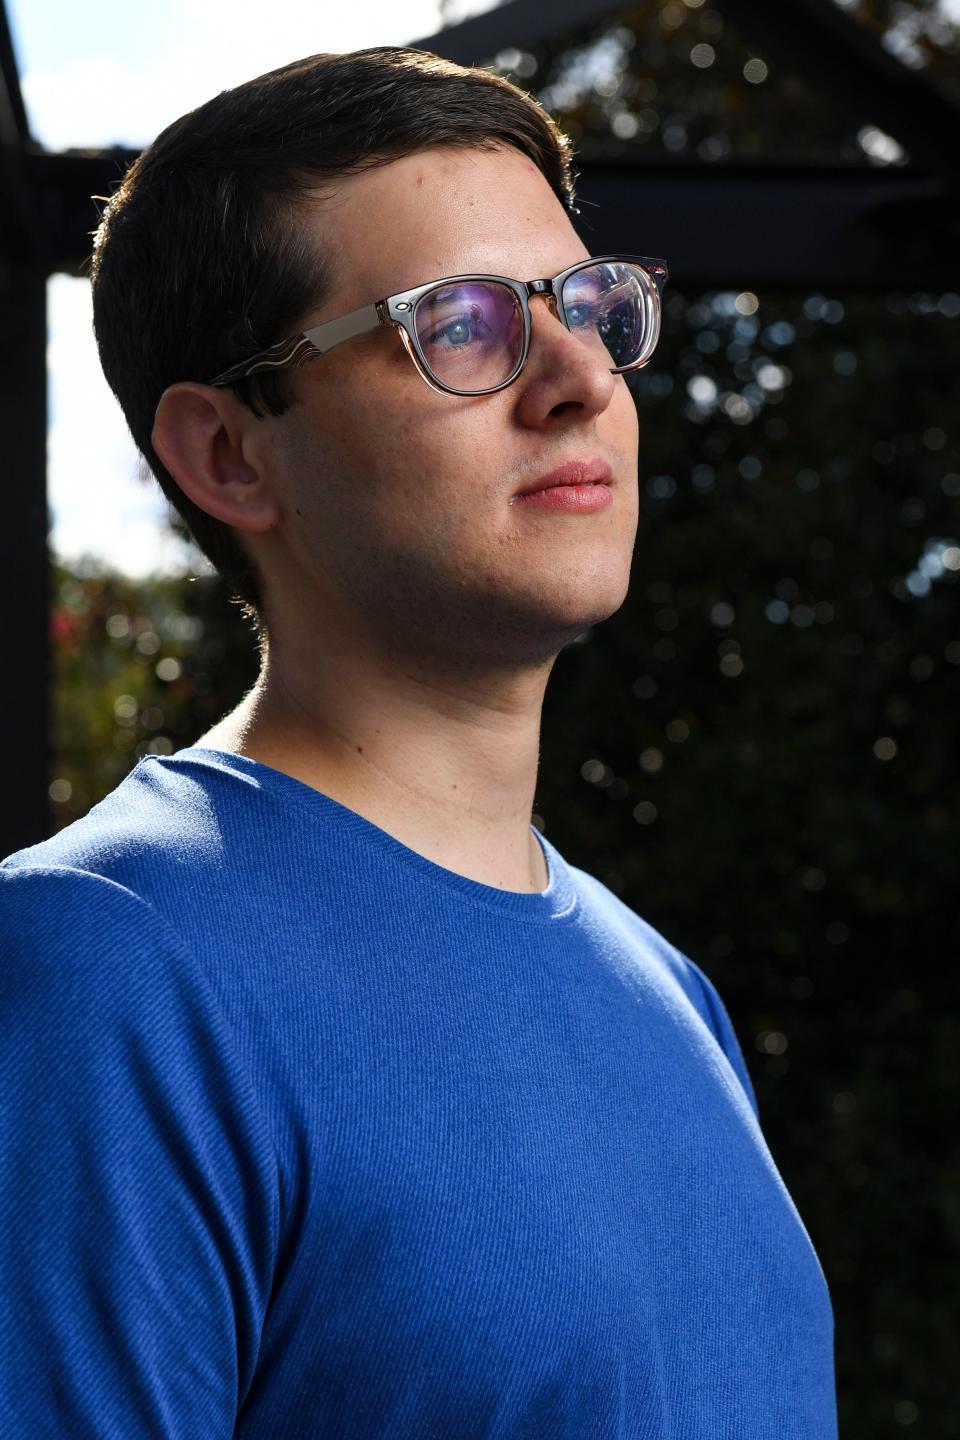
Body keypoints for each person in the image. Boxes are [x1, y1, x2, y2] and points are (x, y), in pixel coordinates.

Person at [0, 46, 837, 1438]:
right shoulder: (104, 968)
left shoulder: (666, 988)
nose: (579, 375)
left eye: (586, 304)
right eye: (458, 324)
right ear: (228, 455)